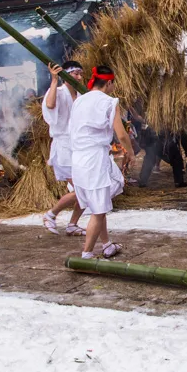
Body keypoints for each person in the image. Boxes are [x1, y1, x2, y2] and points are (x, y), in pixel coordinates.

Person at [69, 65, 135, 259]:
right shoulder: (109, 102)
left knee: (100, 205)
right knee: (98, 210)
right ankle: (87, 255)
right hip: (94, 160)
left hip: (78, 158)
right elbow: (121, 134)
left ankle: (107, 245)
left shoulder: (79, 100)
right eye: (113, 83)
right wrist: (130, 152)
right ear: (109, 83)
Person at [41, 61, 87, 235]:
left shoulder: (82, 95)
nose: (79, 77)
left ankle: (72, 225)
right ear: (66, 74)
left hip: (79, 146)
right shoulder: (58, 92)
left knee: (86, 191)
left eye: (80, 73)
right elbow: (50, 106)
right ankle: (51, 214)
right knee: (82, 189)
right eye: (75, 73)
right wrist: (54, 80)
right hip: (64, 148)